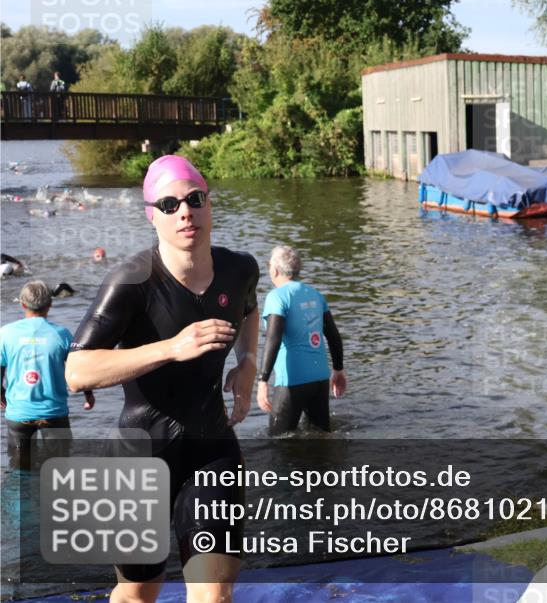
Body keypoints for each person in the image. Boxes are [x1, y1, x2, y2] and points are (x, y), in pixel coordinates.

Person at [66, 155, 259, 603]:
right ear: (152, 215)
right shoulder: (130, 282)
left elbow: (249, 309)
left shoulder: (240, 268)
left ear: (210, 204)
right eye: (169, 204)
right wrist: (171, 347)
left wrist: (248, 365)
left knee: (215, 594)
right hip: (140, 453)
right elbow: (76, 371)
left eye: (195, 199)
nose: (185, 211)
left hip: (212, 447)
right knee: (138, 590)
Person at [1, 281, 94, 469]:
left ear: (22, 304)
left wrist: (1, 394)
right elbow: (79, 368)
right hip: (54, 414)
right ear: (50, 305)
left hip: (19, 414)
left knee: (19, 473)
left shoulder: (5, 334)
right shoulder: (62, 334)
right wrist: (88, 395)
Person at [256, 245, 346, 435]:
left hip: (291, 381)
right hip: (320, 379)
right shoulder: (315, 294)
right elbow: (333, 336)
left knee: (278, 443)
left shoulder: (277, 297)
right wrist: (338, 369)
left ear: (274, 270)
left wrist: (263, 380)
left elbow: (273, 338)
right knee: (321, 439)